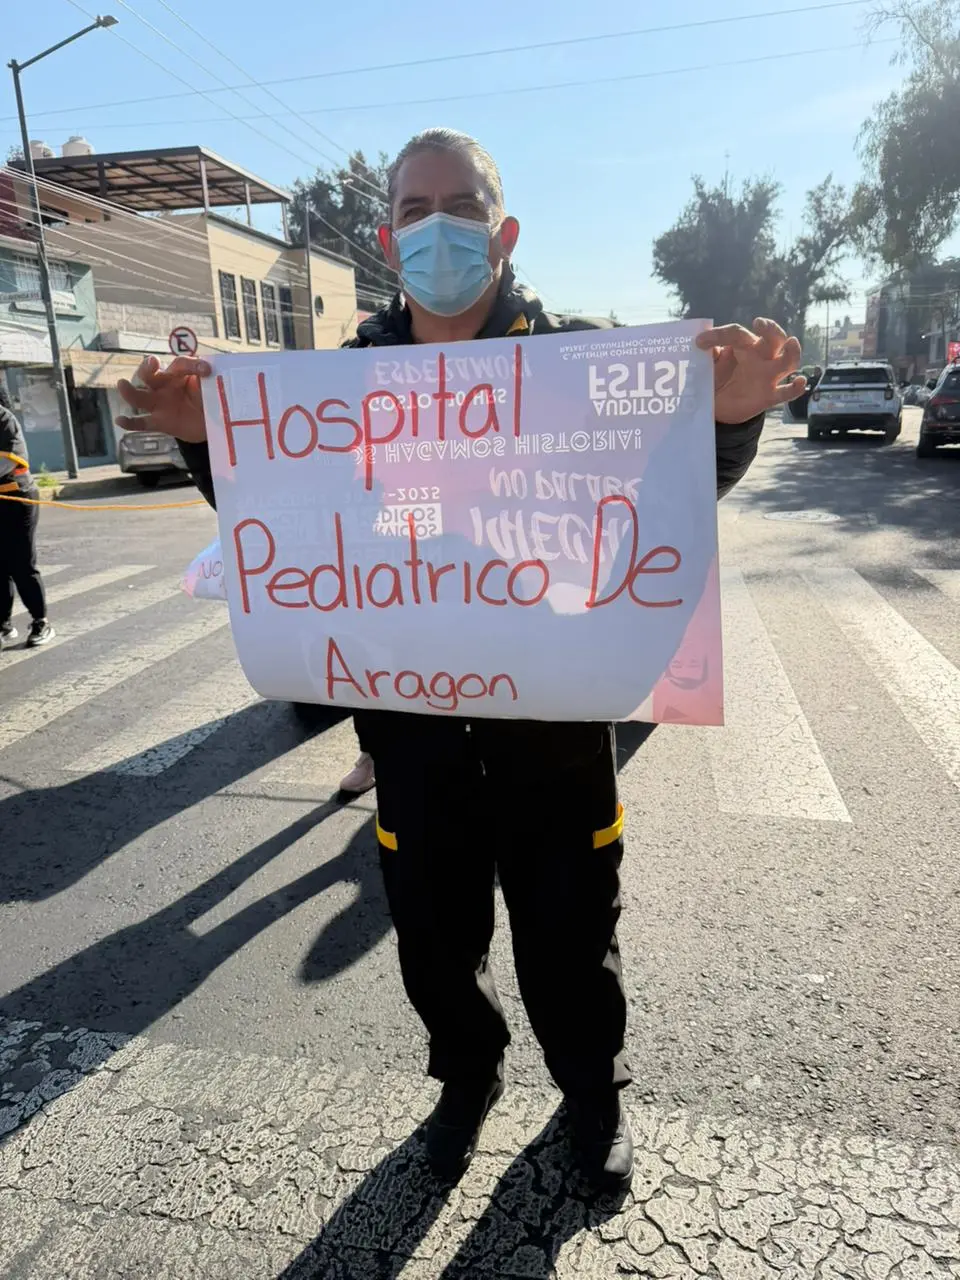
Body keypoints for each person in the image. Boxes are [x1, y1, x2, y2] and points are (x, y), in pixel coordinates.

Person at [116, 128, 805, 1192]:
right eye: (416, 209)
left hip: (557, 735)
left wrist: (728, 420)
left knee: (573, 933)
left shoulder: (582, 365)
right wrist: (207, 441)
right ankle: (465, 1079)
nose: (439, 227)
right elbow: (289, 518)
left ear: (504, 229)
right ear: (389, 238)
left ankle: (592, 1093)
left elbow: (665, 497)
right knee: (434, 936)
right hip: (413, 736)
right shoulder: (336, 387)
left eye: (463, 206)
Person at [0, 385, 55, 651]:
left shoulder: (4, 419)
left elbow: (7, 463)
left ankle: (40, 622)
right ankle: (4, 625)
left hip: (16, 498)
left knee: (21, 563)